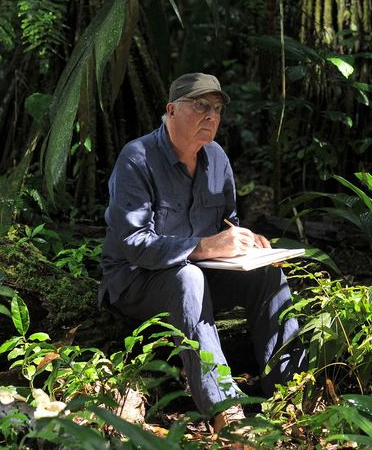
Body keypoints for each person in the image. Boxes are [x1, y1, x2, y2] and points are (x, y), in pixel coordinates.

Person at [100, 72, 304, 435]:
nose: (211, 116)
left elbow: (227, 223)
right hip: (135, 282)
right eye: (200, 106)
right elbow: (133, 242)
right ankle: (225, 409)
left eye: (217, 109)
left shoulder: (217, 157)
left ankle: (290, 392)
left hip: (201, 275)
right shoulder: (137, 157)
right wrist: (202, 246)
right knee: (187, 277)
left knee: (270, 274)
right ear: (171, 110)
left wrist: (245, 239)